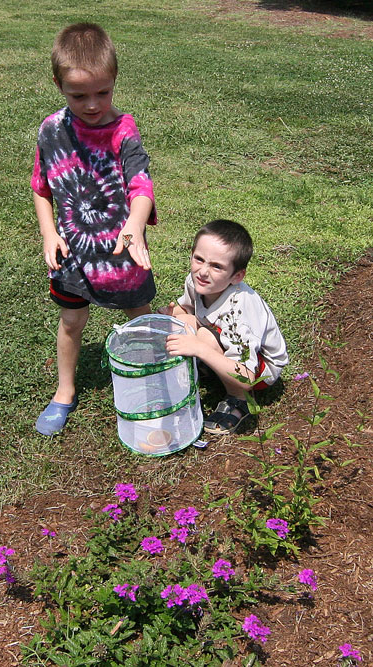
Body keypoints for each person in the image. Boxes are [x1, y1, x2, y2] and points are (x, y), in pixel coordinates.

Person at [31, 22, 156, 436]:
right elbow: (41, 188)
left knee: (140, 316)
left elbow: (141, 186)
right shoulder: (51, 131)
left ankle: (151, 378)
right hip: (73, 252)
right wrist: (49, 233)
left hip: (122, 250)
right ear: (58, 84)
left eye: (103, 93)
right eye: (78, 95)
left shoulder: (124, 130)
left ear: (114, 81)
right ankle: (64, 390)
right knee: (71, 320)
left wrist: (135, 227)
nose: (92, 104)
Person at [160, 219, 288, 435]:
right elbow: (188, 308)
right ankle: (209, 365)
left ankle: (239, 402)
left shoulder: (239, 311)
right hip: (223, 338)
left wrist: (200, 349)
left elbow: (247, 376)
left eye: (217, 266)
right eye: (199, 259)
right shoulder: (197, 282)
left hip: (259, 369)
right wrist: (173, 314)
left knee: (204, 337)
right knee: (181, 324)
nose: (203, 271)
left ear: (237, 276)